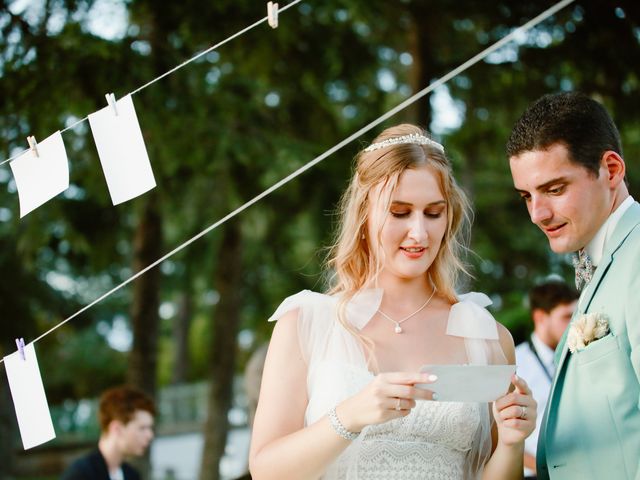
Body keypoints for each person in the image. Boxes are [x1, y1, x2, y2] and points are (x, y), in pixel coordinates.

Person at [249, 123, 536, 480]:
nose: (419, 233)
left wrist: (511, 443)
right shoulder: (307, 323)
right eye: (400, 212)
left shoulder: (486, 336)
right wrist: (349, 417)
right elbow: (265, 470)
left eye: (433, 213)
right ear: (365, 213)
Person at [507, 91, 640, 480]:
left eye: (554, 189)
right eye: (526, 196)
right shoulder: (601, 263)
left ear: (611, 170)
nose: (538, 214)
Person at [514, 280, 578, 479]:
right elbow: (497, 435)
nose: (573, 324)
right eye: (567, 317)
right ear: (540, 317)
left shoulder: (578, 357)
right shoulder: (516, 363)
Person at [61, 385, 156, 480]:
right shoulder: (81, 474)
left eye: (149, 428)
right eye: (142, 428)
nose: (150, 435)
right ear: (117, 429)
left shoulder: (132, 475)